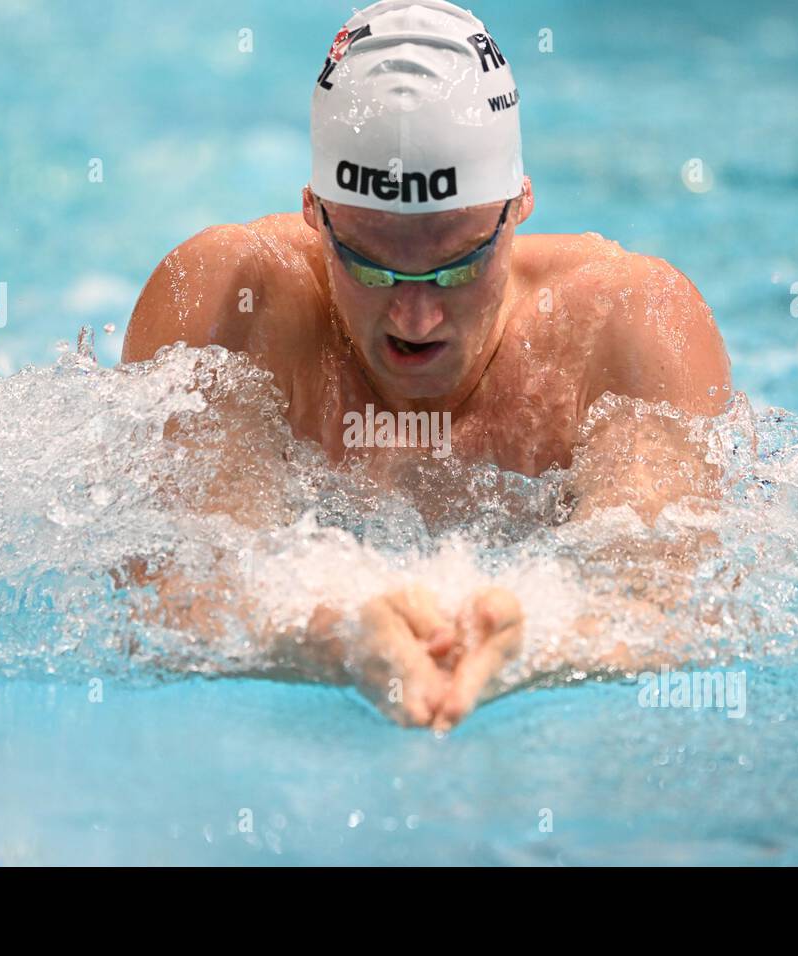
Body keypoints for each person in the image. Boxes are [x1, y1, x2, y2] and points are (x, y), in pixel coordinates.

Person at [122, 0, 731, 729]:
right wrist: (336, 636)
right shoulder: (231, 306)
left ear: (519, 203)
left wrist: (534, 640)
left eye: (457, 266)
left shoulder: (627, 325)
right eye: (371, 268)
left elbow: (661, 601)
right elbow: (180, 592)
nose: (416, 318)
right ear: (315, 211)